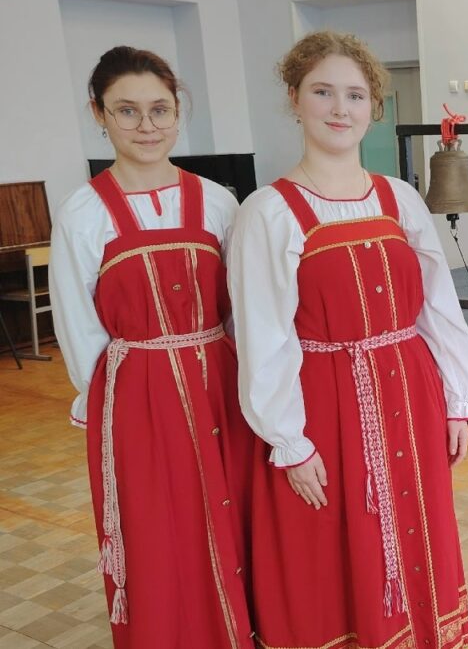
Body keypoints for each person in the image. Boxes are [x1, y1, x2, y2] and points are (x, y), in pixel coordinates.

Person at [228, 31, 468, 649]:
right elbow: (262, 334)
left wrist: (454, 399)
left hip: (411, 395)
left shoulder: (401, 198)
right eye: (323, 92)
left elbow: (438, 306)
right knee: (335, 542)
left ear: (374, 108)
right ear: (294, 99)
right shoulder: (268, 212)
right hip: (325, 408)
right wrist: (290, 441)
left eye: (356, 95)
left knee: (419, 528)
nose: (340, 109)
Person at [50, 46, 254, 647]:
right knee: (160, 531)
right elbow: (78, 327)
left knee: (236, 516)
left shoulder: (218, 201)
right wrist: (113, 408)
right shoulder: (83, 213)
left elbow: (242, 310)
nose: (147, 126)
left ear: (178, 112)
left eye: (160, 110)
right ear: (99, 114)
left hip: (222, 385)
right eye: (127, 110)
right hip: (137, 395)